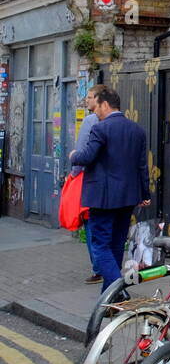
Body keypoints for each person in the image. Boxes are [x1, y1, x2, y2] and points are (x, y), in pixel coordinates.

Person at [69, 87, 150, 292]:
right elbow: (142, 165)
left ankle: (117, 289)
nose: (95, 111)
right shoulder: (137, 130)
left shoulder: (101, 128)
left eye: (97, 106)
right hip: (128, 197)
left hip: (103, 198)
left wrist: (73, 156)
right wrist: (145, 194)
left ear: (105, 104)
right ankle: (110, 299)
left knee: (99, 246)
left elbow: (87, 157)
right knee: (116, 244)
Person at [70, 86, 101, 282]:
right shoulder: (125, 123)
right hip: (117, 190)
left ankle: (99, 269)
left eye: (89, 97)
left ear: (100, 100)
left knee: (92, 226)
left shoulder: (90, 121)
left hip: (91, 184)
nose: (86, 100)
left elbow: (81, 151)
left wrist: (73, 173)